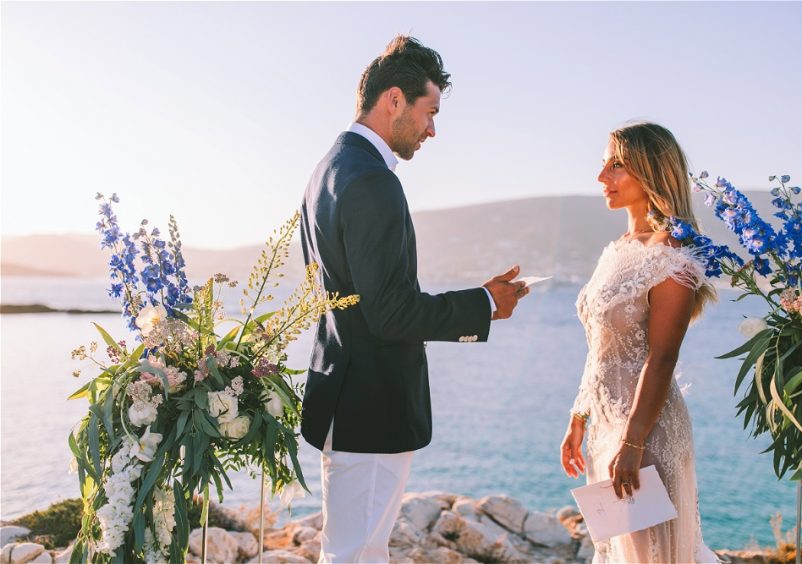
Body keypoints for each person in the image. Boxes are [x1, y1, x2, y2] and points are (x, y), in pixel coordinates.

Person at [299, 35, 528, 563]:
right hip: (373, 406)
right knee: (357, 556)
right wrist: (485, 304)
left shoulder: (327, 170)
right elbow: (390, 311)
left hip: (343, 398)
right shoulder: (373, 181)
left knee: (353, 552)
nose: (432, 130)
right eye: (430, 112)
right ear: (394, 99)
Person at [560, 122, 720, 562]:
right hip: (607, 429)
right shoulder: (617, 249)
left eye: (617, 166)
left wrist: (632, 443)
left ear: (650, 172)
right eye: (604, 165)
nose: (601, 177)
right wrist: (580, 415)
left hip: (647, 432)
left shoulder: (673, 255)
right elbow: (600, 347)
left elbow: (663, 357)